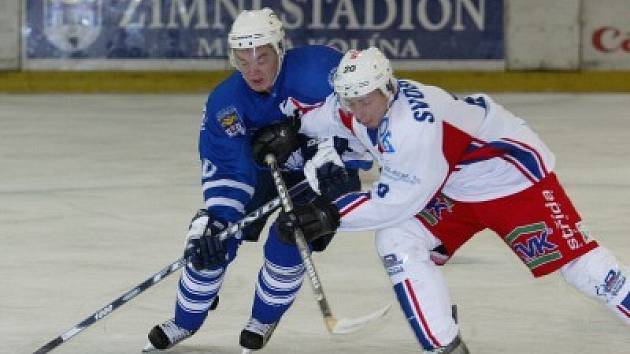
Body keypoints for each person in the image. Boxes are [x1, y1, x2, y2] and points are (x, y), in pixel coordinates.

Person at [256, 47, 630, 353]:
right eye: (350, 100)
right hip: (454, 182)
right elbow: (334, 117)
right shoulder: (361, 103)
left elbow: (396, 203)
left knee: (578, 264)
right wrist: (292, 130)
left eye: (365, 101)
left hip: (509, 178)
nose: (358, 110)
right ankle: (444, 346)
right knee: (398, 241)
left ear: (388, 88)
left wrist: (327, 213)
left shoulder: (413, 129)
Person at [142, 8, 370, 352]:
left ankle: (264, 317)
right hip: (261, 173)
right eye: (243, 61)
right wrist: (221, 218)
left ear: (280, 49)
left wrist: (334, 157)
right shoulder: (226, 103)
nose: (253, 70)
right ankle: (185, 321)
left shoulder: (320, 71)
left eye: (262, 58)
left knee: (292, 235)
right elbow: (228, 168)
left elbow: (364, 119)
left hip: (325, 172)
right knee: (212, 238)